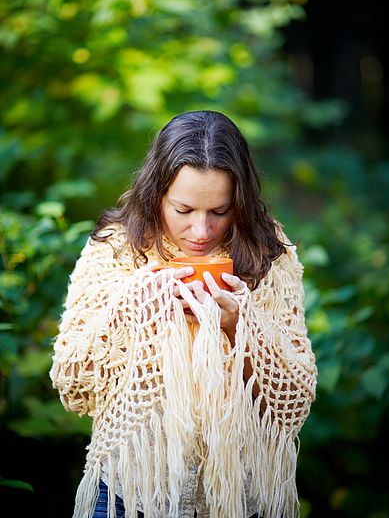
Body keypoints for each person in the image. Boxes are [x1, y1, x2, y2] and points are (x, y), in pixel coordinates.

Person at [50, 110, 317, 518]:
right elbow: (73, 384)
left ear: (240, 203)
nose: (201, 231)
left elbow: (293, 403)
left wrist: (238, 329)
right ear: (157, 193)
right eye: (184, 209)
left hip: (239, 499)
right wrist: (137, 307)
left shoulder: (268, 253)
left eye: (219, 211)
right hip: (130, 492)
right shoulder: (115, 250)